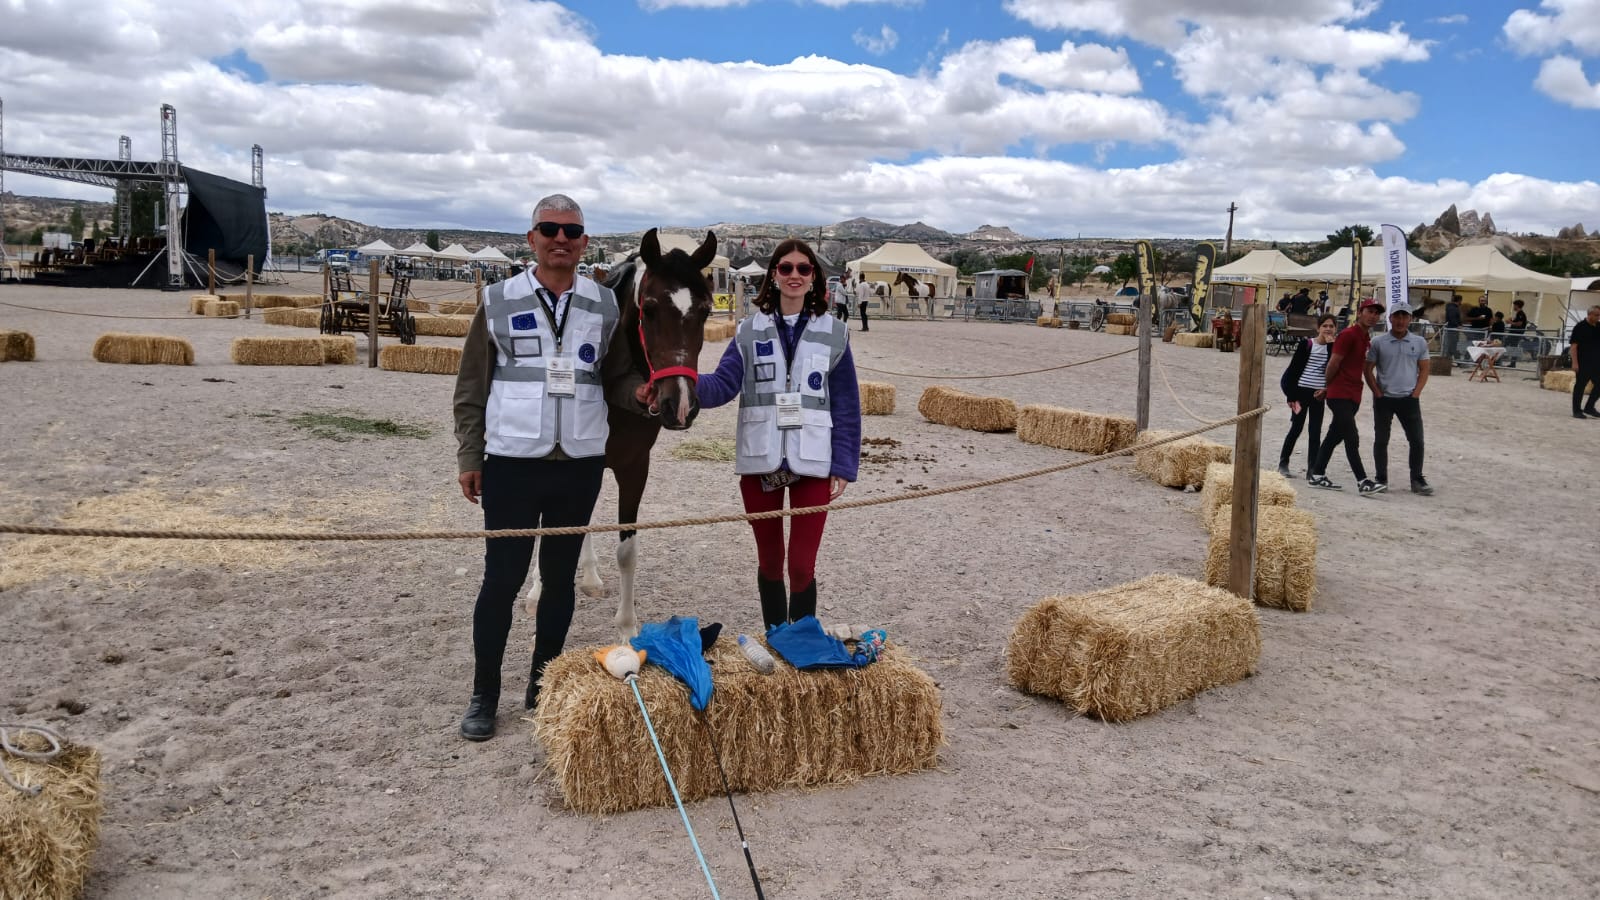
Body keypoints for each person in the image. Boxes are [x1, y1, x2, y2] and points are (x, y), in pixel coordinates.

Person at [451, 193, 651, 742]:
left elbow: (617, 378)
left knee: (560, 582)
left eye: (571, 231)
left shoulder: (605, 305)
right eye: (549, 229)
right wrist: (471, 455)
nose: (560, 238)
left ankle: (542, 686)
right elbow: (472, 386)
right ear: (532, 237)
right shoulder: (497, 299)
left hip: (580, 462)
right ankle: (483, 695)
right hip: (512, 461)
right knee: (502, 581)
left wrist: (642, 396)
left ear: (585, 242)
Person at [696, 239, 862, 629]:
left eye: (804, 269)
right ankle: (776, 635)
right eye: (786, 268)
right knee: (770, 562)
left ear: (814, 278)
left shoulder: (835, 334)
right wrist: (683, 384)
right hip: (761, 461)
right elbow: (722, 385)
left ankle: (801, 641)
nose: (794, 275)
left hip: (814, 461)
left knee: (802, 566)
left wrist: (844, 464)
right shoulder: (747, 332)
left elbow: (846, 405)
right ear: (773, 274)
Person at [1308, 302, 1385, 494]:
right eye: (1370, 312)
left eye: (1377, 313)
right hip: (1340, 393)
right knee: (1352, 436)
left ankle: (1317, 474)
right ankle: (1362, 481)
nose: (1373, 316)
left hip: (1352, 394)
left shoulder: (1365, 337)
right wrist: (1327, 386)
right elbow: (1333, 363)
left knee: (1335, 435)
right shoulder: (1348, 335)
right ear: (1360, 313)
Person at [1365, 307, 1432, 495]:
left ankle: (1417, 478)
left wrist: (1416, 393)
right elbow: (1367, 369)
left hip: (1409, 399)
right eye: (1397, 316)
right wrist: (1377, 392)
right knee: (1381, 440)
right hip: (1384, 398)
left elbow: (1425, 369)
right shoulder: (1378, 342)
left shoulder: (1419, 342)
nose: (1400, 320)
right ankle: (1381, 478)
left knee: (1417, 440)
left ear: (1410, 319)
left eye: (1404, 316)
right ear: (1390, 318)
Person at [1277, 314, 1337, 478]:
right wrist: (1291, 396)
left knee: (1315, 431)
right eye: (1325, 326)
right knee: (1296, 427)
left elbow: (1334, 368)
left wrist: (1332, 346)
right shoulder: (1307, 344)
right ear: (1318, 328)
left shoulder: (1334, 348)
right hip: (1301, 392)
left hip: (1318, 394)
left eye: (1331, 326)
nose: (1328, 329)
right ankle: (1283, 462)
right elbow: (1293, 369)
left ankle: (1312, 468)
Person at [1571, 305, 1600, 419]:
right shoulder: (1580, 327)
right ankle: (1576, 410)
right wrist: (1575, 363)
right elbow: (1573, 347)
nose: (1598, 317)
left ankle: (1589, 407)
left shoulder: (1599, 326)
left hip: (1597, 363)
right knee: (1580, 386)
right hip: (1583, 362)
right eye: (1596, 315)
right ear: (1589, 315)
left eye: (1599, 315)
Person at [1444, 294, 1463, 359]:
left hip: (1452, 328)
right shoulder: (1453, 308)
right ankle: (1457, 360)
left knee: (1451, 345)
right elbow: (1452, 318)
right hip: (1453, 329)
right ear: (1459, 300)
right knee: (1453, 345)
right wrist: (1458, 325)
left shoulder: (1451, 307)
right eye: (1461, 301)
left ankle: (1448, 359)